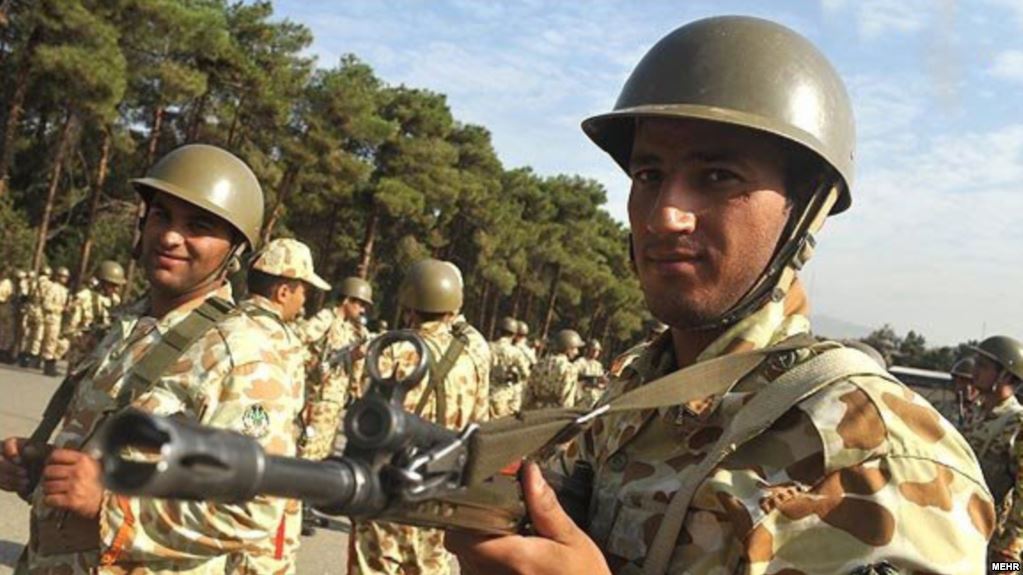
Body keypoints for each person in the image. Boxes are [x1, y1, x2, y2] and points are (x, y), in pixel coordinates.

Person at [448, 16, 991, 574]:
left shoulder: (877, 454)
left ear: (807, 209)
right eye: (649, 175)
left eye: (717, 176)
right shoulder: (637, 394)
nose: (665, 216)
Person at [0, 143, 298, 574]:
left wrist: (111, 506)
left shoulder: (243, 354)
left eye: (198, 226)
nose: (171, 236)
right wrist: (43, 465)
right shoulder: (133, 325)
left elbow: (253, 510)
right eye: (162, 215)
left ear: (234, 249)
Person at [350, 258, 490, 575]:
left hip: (387, 489)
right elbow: (477, 426)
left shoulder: (393, 349)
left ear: (408, 303)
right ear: (453, 306)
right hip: (436, 494)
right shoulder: (472, 358)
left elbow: (368, 419)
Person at [244, 237, 332, 572]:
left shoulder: (220, 323)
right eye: (303, 291)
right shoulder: (282, 342)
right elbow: (260, 418)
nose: (304, 300)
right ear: (283, 292)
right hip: (263, 485)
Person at [295, 276, 373, 461]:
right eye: (359, 304)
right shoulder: (327, 318)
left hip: (336, 401)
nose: (362, 310)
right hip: (317, 397)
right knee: (307, 450)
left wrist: (355, 389)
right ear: (346, 300)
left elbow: (358, 368)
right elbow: (298, 340)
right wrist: (312, 362)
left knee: (324, 453)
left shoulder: (358, 332)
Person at [962, 336, 1023, 564]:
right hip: (960, 532)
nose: (974, 371)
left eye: (983, 366)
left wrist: (1009, 552)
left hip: (995, 547)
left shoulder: (1017, 423)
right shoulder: (975, 416)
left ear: (1006, 375)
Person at [489, 316, 532, 417]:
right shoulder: (515, 352)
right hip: (502, 394)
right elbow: (525, 374)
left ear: (498, 331)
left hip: (484, 392)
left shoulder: (487, 346)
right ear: (514, 335)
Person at [575, 339, 607, 408]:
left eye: (597, 351)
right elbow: (575, 376)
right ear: (587, 350)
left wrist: (603, 382)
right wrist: (591, 379)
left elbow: (601, 380)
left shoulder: (598, 365)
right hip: (582, 397)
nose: (595, 352)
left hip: (594, 397)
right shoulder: (580, 362)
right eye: (593, 350)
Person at [950, 356, 979, 428]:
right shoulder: (941, 409)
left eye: (972, 382)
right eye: (962, 381)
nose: (967, 388)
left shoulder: (984, 413)